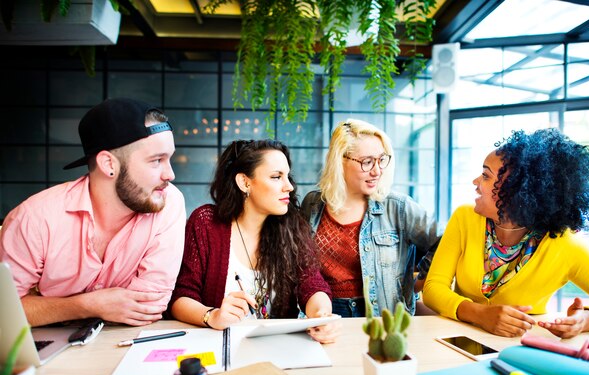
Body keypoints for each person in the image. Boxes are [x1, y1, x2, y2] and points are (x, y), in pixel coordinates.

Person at [423, 128, 589, 338]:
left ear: (517, 192)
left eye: (485, 176)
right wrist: (480, 314)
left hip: (520, 349)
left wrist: (585, 320)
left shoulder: (565, 244)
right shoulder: (464, 218)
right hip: (455, 341)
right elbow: (433, 287)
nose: (476, 182)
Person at [0, 98, 186, 327]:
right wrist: (87, 305)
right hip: (48, 353)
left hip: (127, 342)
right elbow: (5, 312)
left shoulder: (169, 202)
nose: (170, 174)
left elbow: (148, 307)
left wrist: (48, 307)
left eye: (169, 159)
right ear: (109, 164)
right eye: (157, 160)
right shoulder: (35, 218)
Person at [170, 140, 338, 343]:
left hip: (277, 348)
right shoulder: (205, 223)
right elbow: (181, 297)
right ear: (244, 182)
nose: (289, 186)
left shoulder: (291, 225)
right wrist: (212, 316)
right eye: (276, 177)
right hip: (219, 347)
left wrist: (321, 315)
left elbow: (312, 284)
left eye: (287, 176)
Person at [301, 119, 438, 317]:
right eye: (367, 162)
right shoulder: (313, 204)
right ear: (340, 161)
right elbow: (301, 265)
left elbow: (444, 243)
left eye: (381, 159)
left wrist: (413, 286)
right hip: (326, 314)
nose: (377, 171)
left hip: (381, 317)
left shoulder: (398, 207)